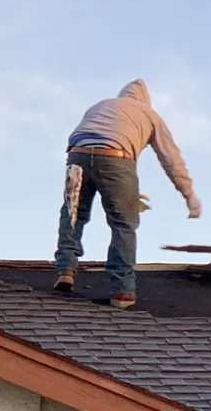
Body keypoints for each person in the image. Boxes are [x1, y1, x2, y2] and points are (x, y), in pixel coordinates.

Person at [53, 78, 203, 309]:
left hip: (77, 155)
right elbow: (171, 160)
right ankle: (122, 291)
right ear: (145, 100)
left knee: (73, 213)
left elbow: (79, 135)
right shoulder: (149, 114)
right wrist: (189, 195)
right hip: (116, 157)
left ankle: (65, 269)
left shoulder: (100, 105)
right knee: (123, 224)